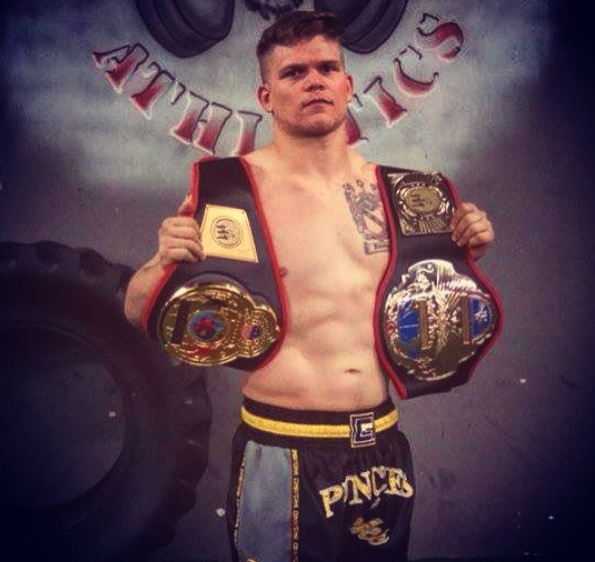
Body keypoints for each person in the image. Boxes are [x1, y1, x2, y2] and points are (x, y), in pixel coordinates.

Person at [124, 10, 495, 562]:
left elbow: (443, 305)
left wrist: (466, 248)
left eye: (326, 68)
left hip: (380, 443)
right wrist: (163, 260)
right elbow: (138, 310)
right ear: (266, 95)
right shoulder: (231, 192)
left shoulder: (401, 195)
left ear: (347, 83)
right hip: (283, 442)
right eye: (294, 72)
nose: (314, 81)